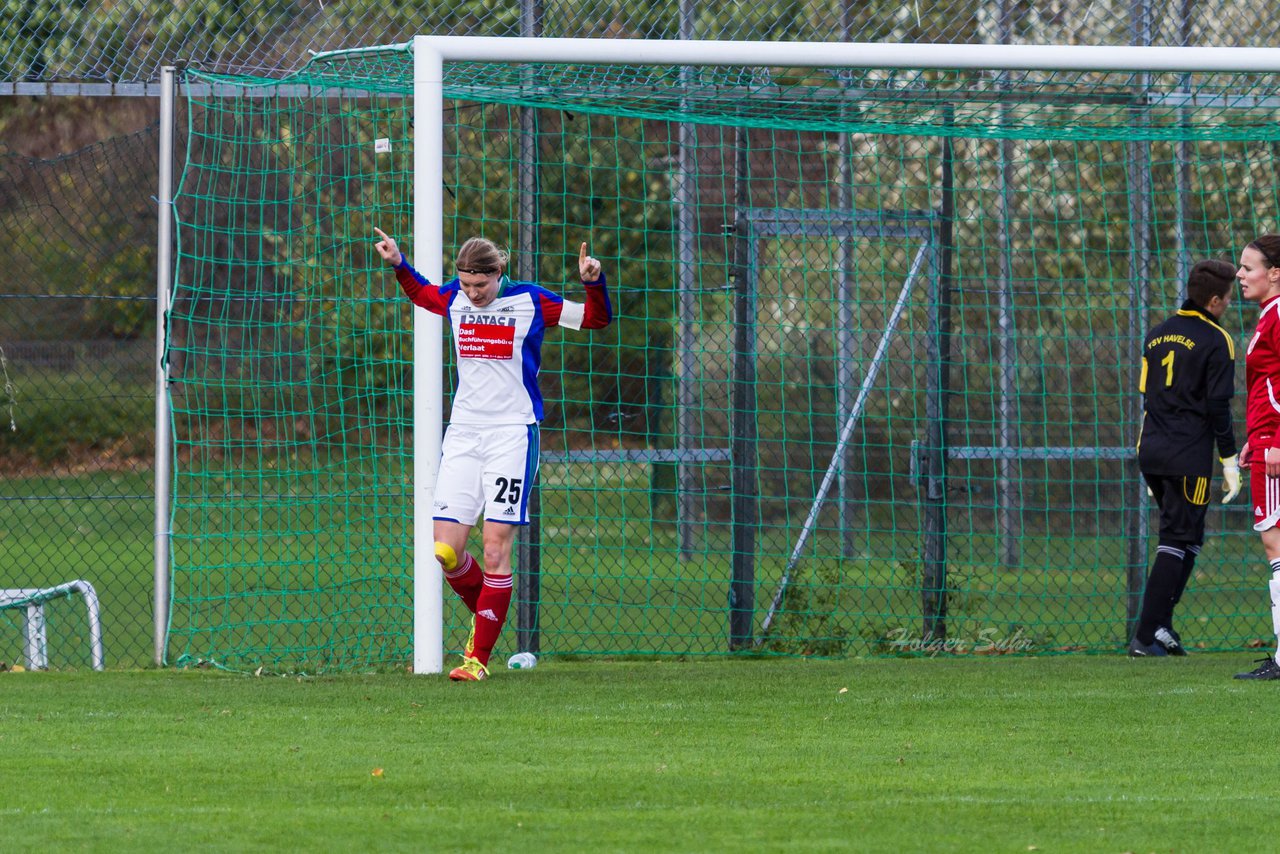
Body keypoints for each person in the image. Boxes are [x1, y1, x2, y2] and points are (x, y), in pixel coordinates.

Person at [373, 228, 612, 681]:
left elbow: (596, 320)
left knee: (495, 547)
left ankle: (476, 659)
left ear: (498, 273)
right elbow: (425, 295)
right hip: (463, 436)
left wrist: (592, 281)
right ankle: (490, 612)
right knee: (445, 551)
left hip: (511, 437)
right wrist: (399, 264)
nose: (472, 293)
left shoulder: (532, 301)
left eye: (479, 285)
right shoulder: (455, 299)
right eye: (465, 284)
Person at [1130, 259, 1241, 657]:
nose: (1230, 303)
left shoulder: (1156, 335)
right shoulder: (1218, 340)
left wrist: (1148, 455)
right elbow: (1218, 407)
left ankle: (1161, 626)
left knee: (1190, 535)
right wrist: (1228, 460)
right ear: (1214, 300)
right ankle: (1145, 635)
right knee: (1178, 538)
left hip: (1153, 451)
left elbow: (1148, 399)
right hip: (1188, 457)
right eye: (1228, 298)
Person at [1234, 234, 1280, 679]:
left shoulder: (1279, 314)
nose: (1240, 275)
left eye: (1249, 267)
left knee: (1275, 542)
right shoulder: (1269, 317)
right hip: (1265, 444)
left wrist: (1276, 443)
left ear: (1276, 273)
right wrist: (1255, 435)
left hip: (1276, 451)